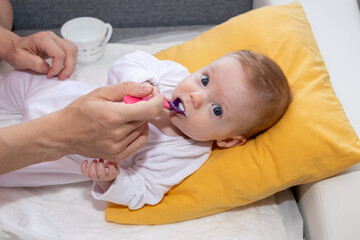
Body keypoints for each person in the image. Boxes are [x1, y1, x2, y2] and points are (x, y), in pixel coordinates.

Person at [0, 50, 292, 210]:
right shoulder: (169, 77)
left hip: (53, 157)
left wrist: (111, 181)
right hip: (52, 94)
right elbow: (128, 62)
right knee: (18, 80)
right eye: (204, 80)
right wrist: (143, 82)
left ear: (227, 140)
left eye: (217, 110)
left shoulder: (184, 152)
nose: (195, 96)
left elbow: (143, 191)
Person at [0, 0, 164, 174]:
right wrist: (59, 137)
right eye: (198, 80)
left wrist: (8, 43)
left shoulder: (179, 157)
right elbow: (134, 62)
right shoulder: (169, 78)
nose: (195, 97)